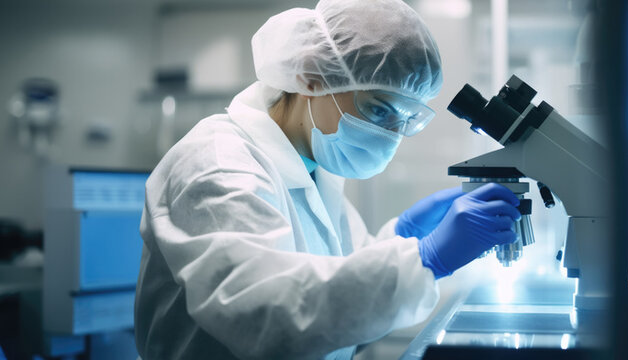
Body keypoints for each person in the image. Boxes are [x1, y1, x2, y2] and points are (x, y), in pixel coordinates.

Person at [133, 1, 522, 359]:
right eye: (380, 111)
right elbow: (268, 316)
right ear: (311, 77)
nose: (392, 136)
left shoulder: (315, 170)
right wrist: (426, 259)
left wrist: (403, 239)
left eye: (405, 120)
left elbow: (339, 295)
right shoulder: (217, 164)